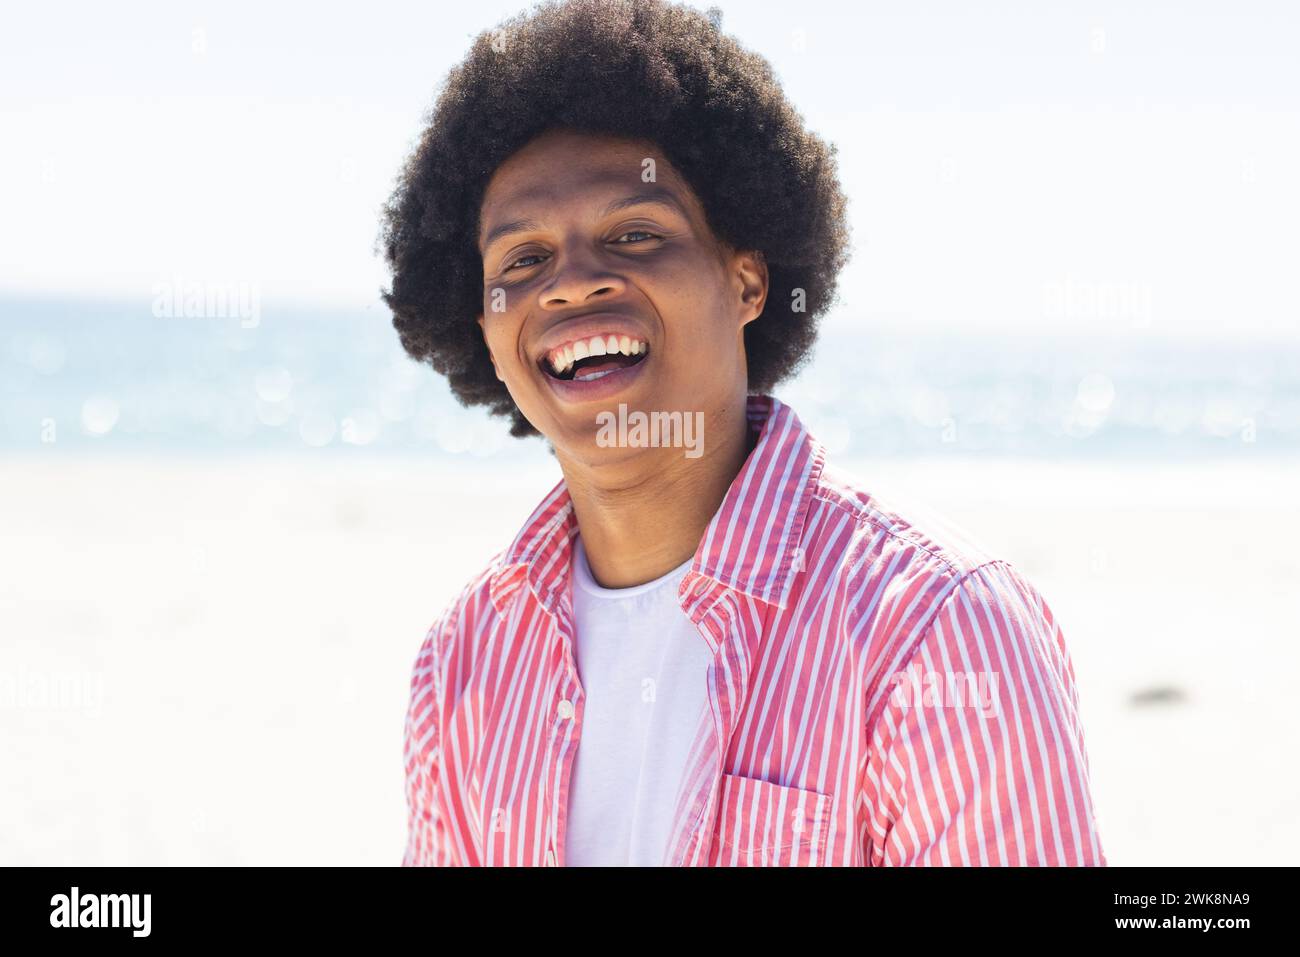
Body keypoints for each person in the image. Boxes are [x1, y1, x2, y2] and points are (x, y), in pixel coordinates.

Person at [382, 0, 1105, 866]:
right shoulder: (465, 663)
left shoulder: (935, 629)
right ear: (486, 330)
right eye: (523, 260)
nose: (570, 284)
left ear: (748, 281)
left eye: (636, 233)